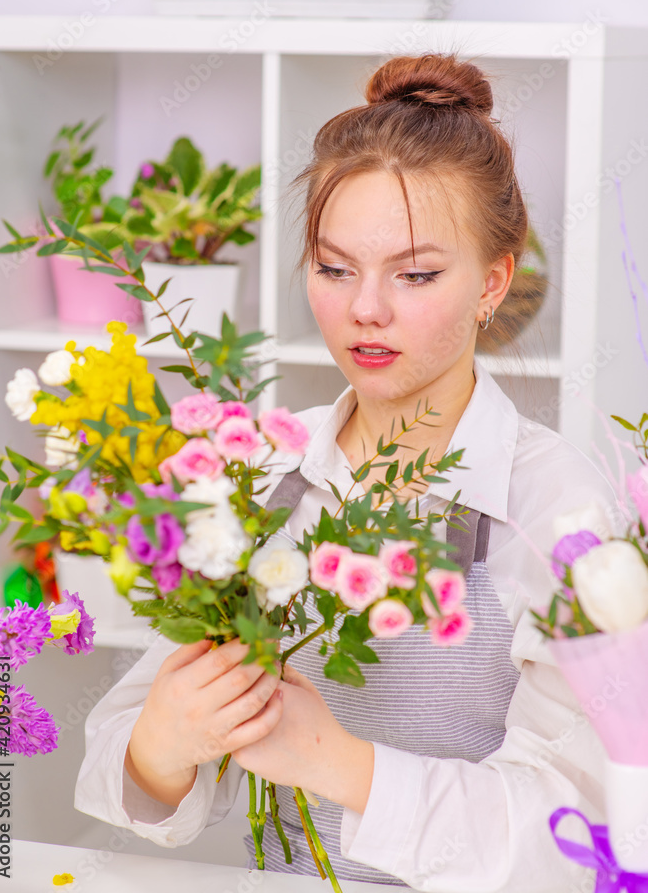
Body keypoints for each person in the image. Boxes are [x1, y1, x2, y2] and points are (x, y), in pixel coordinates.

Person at [75, 53, 620, 891]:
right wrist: (165, 741)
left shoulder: (564, 514)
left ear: (493, 282)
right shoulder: (258, 475)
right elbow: (130, 775)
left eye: (415, 274)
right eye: (333, 268)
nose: (365, 308)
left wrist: (335, 761)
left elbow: (577, 842)